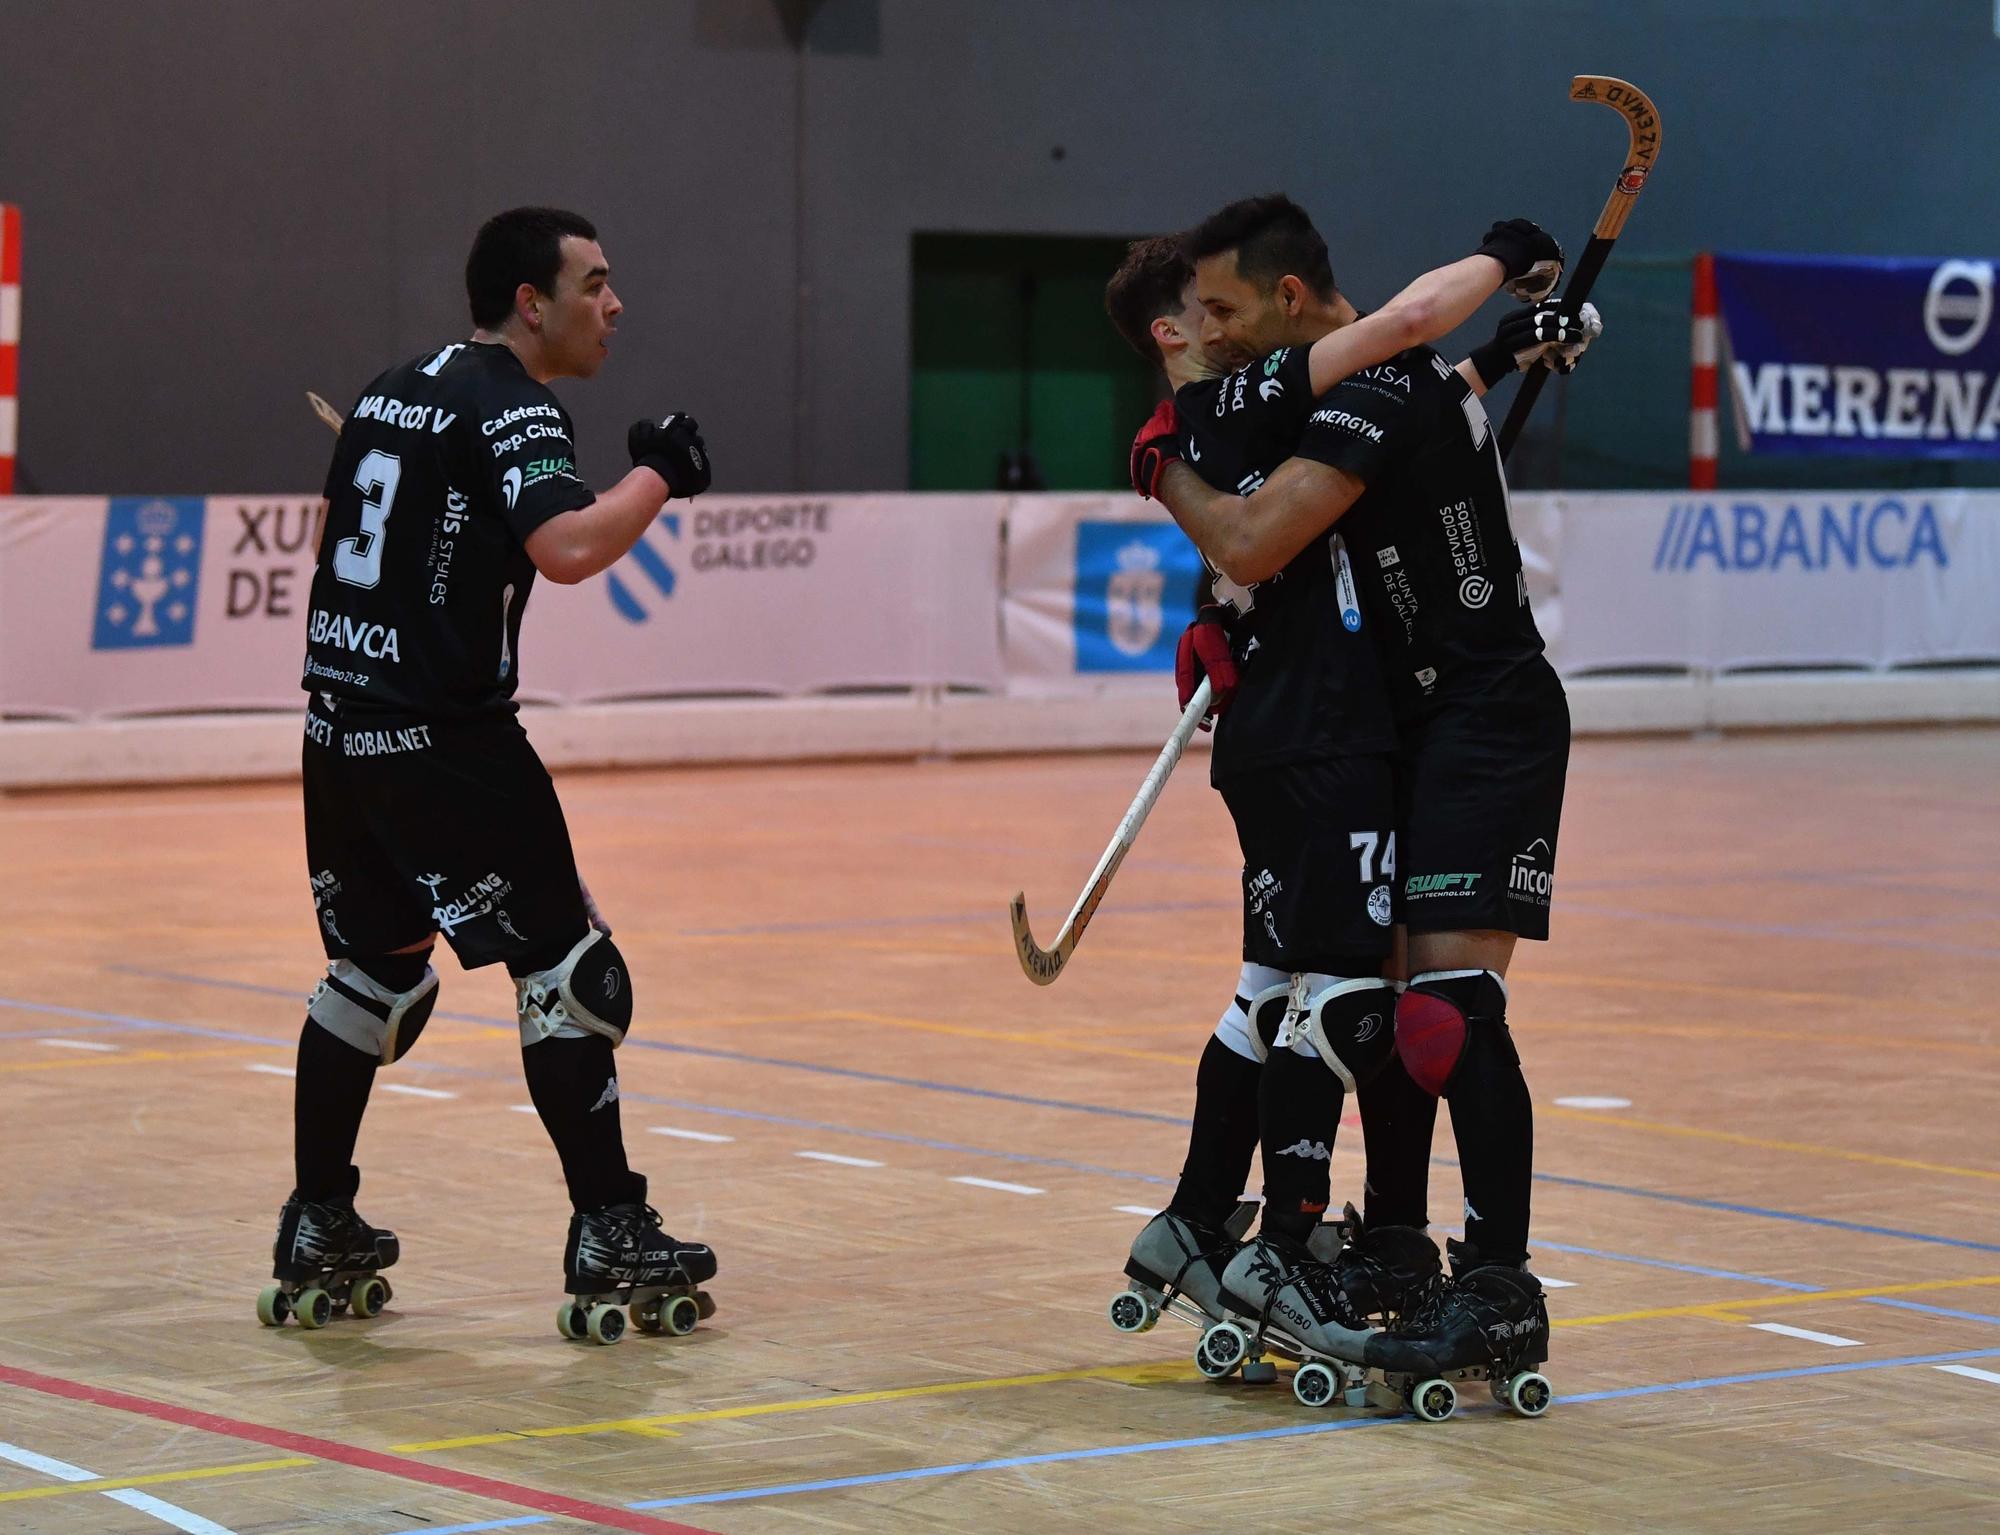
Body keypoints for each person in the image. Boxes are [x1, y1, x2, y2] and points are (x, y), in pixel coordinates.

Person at [1134, 193, 1597, 1387]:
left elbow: (1250, 541)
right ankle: (1393, 1244)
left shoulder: (1372, 385)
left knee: (1445, 1008)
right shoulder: (1394, 385)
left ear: (1289, 300)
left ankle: (1498, 1286)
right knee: (1383, 1007)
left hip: (1484, 717)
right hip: (1405, 724)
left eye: (1227, 310)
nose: (1215, 333)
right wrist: (1518, 343)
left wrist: (1161, 465)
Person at [261, 207, 716, 1347]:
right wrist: (662, 471)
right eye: (595, 284)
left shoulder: (388, 386)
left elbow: (347, 544)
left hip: (339, 730)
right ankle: (611, 1223)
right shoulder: (514, 401)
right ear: (532, 301)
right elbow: (565, 548)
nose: (613, 305)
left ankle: (320, 1219)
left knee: (372, 978)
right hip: (445, 737)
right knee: (570, 970)